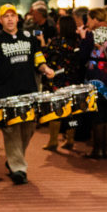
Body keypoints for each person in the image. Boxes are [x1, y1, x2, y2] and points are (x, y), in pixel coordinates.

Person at [0, 4, 55, 184]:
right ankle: (18, 168)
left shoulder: (29, 38)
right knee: (12, 131)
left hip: (29, 91)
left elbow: (39, 60)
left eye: (12, 15)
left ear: (17, 18)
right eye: (6, 16)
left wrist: (46, 69)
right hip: (6, 92)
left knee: (28, 130)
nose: (10, 19)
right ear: (1, 20)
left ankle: (15, 159)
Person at [77, 6, 107, 159]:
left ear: (95, 19)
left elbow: (82, 55)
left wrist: (83, 38)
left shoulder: (92, 35)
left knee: (97, 113)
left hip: (95, 75)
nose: (87, 22)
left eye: (88, 19)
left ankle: (97, 149)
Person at [41, 13, 82, 151]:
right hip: (73, 80)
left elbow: (45, 57)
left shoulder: (56, 42)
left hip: (57, 80)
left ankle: (53, 141)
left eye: (58, 24)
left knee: (56, 111)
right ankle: (70, 139)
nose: (56, 26)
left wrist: (42, 44)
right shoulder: (78, 41)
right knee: (71, 110)